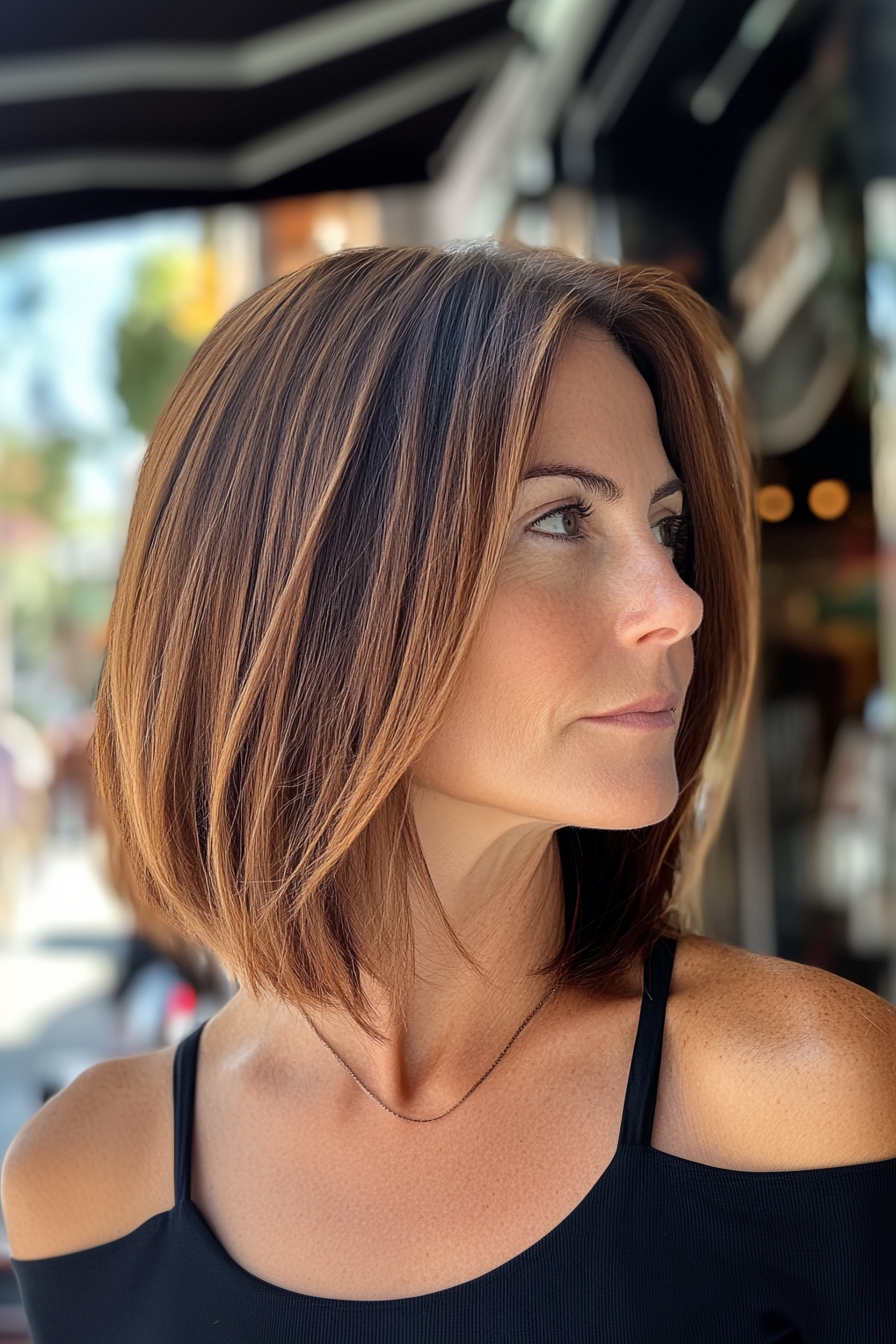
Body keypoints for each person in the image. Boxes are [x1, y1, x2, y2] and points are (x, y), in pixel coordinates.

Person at [2, 244, 895, 1342]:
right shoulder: (90, 1184)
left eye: (664, 530)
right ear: (315, 588)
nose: (677, 603)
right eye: (563, 521)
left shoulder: (799, 1100)